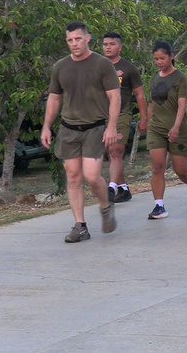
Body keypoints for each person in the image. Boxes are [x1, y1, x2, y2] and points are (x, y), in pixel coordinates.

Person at [40, 21, 121, 243]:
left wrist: (112, 126)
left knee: (92, 176)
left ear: (87, 38)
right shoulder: (60, 67)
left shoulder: (102, 64)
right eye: (70, 40)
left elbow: (115, 96)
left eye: (78, 39)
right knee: (73, 175)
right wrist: (46, 126)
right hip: (68, 128)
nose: (74, 43)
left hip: (94, 127)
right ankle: (80, 226)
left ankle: (106, 204)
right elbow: (55, 97)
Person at [144, 41, 187, 219]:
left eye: (163, 58)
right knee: (157, 167)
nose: (159, 61)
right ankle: (159, 206)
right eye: (156, 59)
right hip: (156, 129)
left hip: (177, 128)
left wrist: (176, 127)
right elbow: (151, 103)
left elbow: (182, 105)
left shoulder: (180, 78)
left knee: (180, 169)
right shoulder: (154, 78)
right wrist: (147, 120)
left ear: (171, 56)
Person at [100, 32, 147, 204]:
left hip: (122, 113)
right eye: (105, 44)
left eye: (112, 44)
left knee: (116, 151)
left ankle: (111, 187)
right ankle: (124, 188)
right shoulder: (98, 66)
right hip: (101, 115)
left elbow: (140, 94)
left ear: (120, 47)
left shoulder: (128, 68)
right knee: (108, 152)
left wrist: (144, 118)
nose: (108, 47)